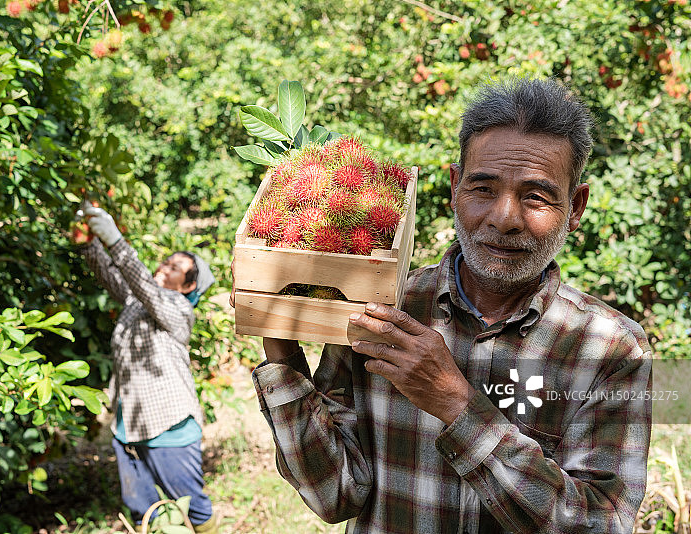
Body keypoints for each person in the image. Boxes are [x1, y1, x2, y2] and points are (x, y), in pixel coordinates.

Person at [244, 78, 652, 533]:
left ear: (574, 208)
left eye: (535, 196)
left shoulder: (611, 348)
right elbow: (335, 494)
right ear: (455, 188)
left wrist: (456, 404)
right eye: (483, 189)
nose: (505, 218)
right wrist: (278, 337)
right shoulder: (377, 308)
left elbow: (601, 524)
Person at [76, 204, 218, 533]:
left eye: (175, 269)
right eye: (166, 262)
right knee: (143, 511)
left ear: (187, 287)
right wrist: (87, 241)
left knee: (193, 508)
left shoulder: (179, 310)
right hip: (129, 425)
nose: (164, 268)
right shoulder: (138, 301)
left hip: (169, 426)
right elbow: (113, 276)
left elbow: (142, 284)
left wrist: (114, 239)